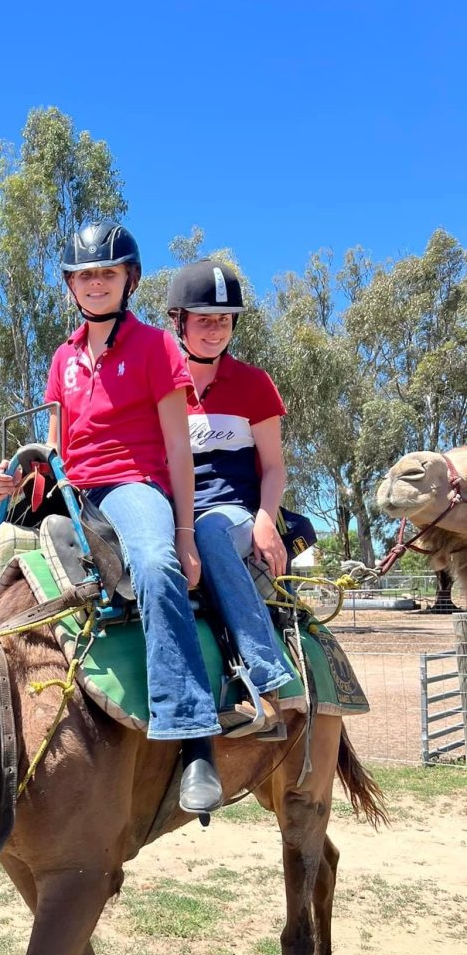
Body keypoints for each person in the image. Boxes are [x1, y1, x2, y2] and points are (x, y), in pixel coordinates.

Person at [0, 222, 226, 813]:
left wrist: (184, 533)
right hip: (68, 488)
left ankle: (194, 735)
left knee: (151, 564)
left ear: (129, 280)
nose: (96, 283)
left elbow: (177, 448)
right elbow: (53, 448)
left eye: (107, 273)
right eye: (85, 275)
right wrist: (16, 481)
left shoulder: (157, 347)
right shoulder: (63, 358)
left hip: (132, 486)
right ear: (72, 284)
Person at [166, 259, 295, 747]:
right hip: (173, 511)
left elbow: (275, 466)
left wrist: (264, 521)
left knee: (211, 533)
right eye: (204, 319)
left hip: (234, 514)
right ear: (179, 321)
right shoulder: (160, 385)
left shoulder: (254, 384)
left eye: (223, 319)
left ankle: (266, 679)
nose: (215, 329)